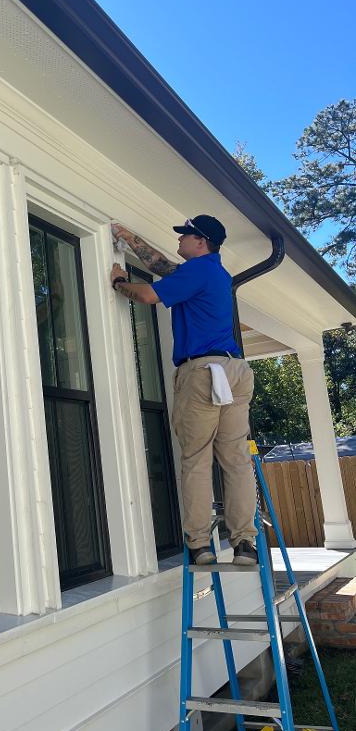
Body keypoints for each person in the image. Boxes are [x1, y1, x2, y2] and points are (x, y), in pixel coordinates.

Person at [110, 215, 257, 566]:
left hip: (203, 373)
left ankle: (200, 545)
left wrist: (118, 281)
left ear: (200, 242)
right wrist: (127, 236)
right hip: (235, 372)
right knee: (236, 461)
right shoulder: (215, 272)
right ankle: (244, 544)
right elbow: (163, 267)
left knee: (196, 460)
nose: (179, 240)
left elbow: (148, 295)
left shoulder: (198, 270)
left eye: (185, 236)